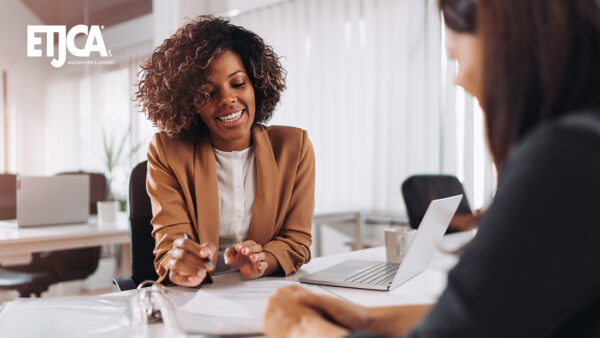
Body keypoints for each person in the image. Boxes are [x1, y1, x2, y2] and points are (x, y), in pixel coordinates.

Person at [263, 0, 600, 336]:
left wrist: (301, 329)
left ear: (510, 44)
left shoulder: (564, 159)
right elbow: (486, 317)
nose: (459, 78)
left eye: (456, 57)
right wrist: (367, 320)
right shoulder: (581, 146)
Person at [136, 16, 315, 287]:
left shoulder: (294, 147)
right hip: (195, 300)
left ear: (256, 83)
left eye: (238, 83)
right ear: (189, 104)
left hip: (262, 294)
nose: (227, 100)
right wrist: (181, 263)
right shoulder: (167, 151)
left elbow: (296, 241)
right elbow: (169, 246)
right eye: (206, 93)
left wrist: (263, 261)